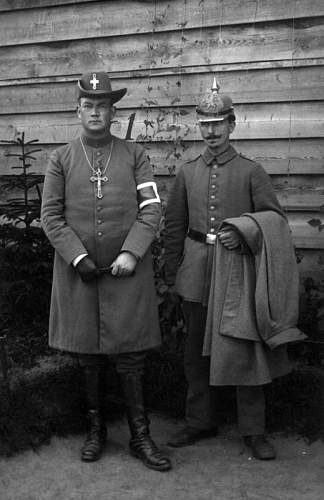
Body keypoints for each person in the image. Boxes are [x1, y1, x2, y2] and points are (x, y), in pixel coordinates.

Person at [163, 78, 305, 460]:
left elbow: (274, 221)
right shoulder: (187, 172)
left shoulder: (251, 171)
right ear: (199, 126)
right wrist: (170, 272)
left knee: (244, 348)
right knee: (194, 352)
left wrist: (243, 234)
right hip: (195, 270)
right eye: (204, 124)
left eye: (218, 123)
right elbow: (174, 226)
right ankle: (199, 421)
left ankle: (253, 430)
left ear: (232, 124)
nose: (211, 131)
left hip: (238, 273)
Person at [41, 71, 171, 472]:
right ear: (78, 111)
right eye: (88, 106)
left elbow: (151, 209)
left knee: (131, 356)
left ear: (112, 111)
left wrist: (132, 252)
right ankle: (96, 431)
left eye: (102, 106)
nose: (95, 112)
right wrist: (78, 258)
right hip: (79, 274)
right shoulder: (60, 158)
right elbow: (51, 217)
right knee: (89, 358)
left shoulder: (134, 156)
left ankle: (140, 435)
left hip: (125, 274)